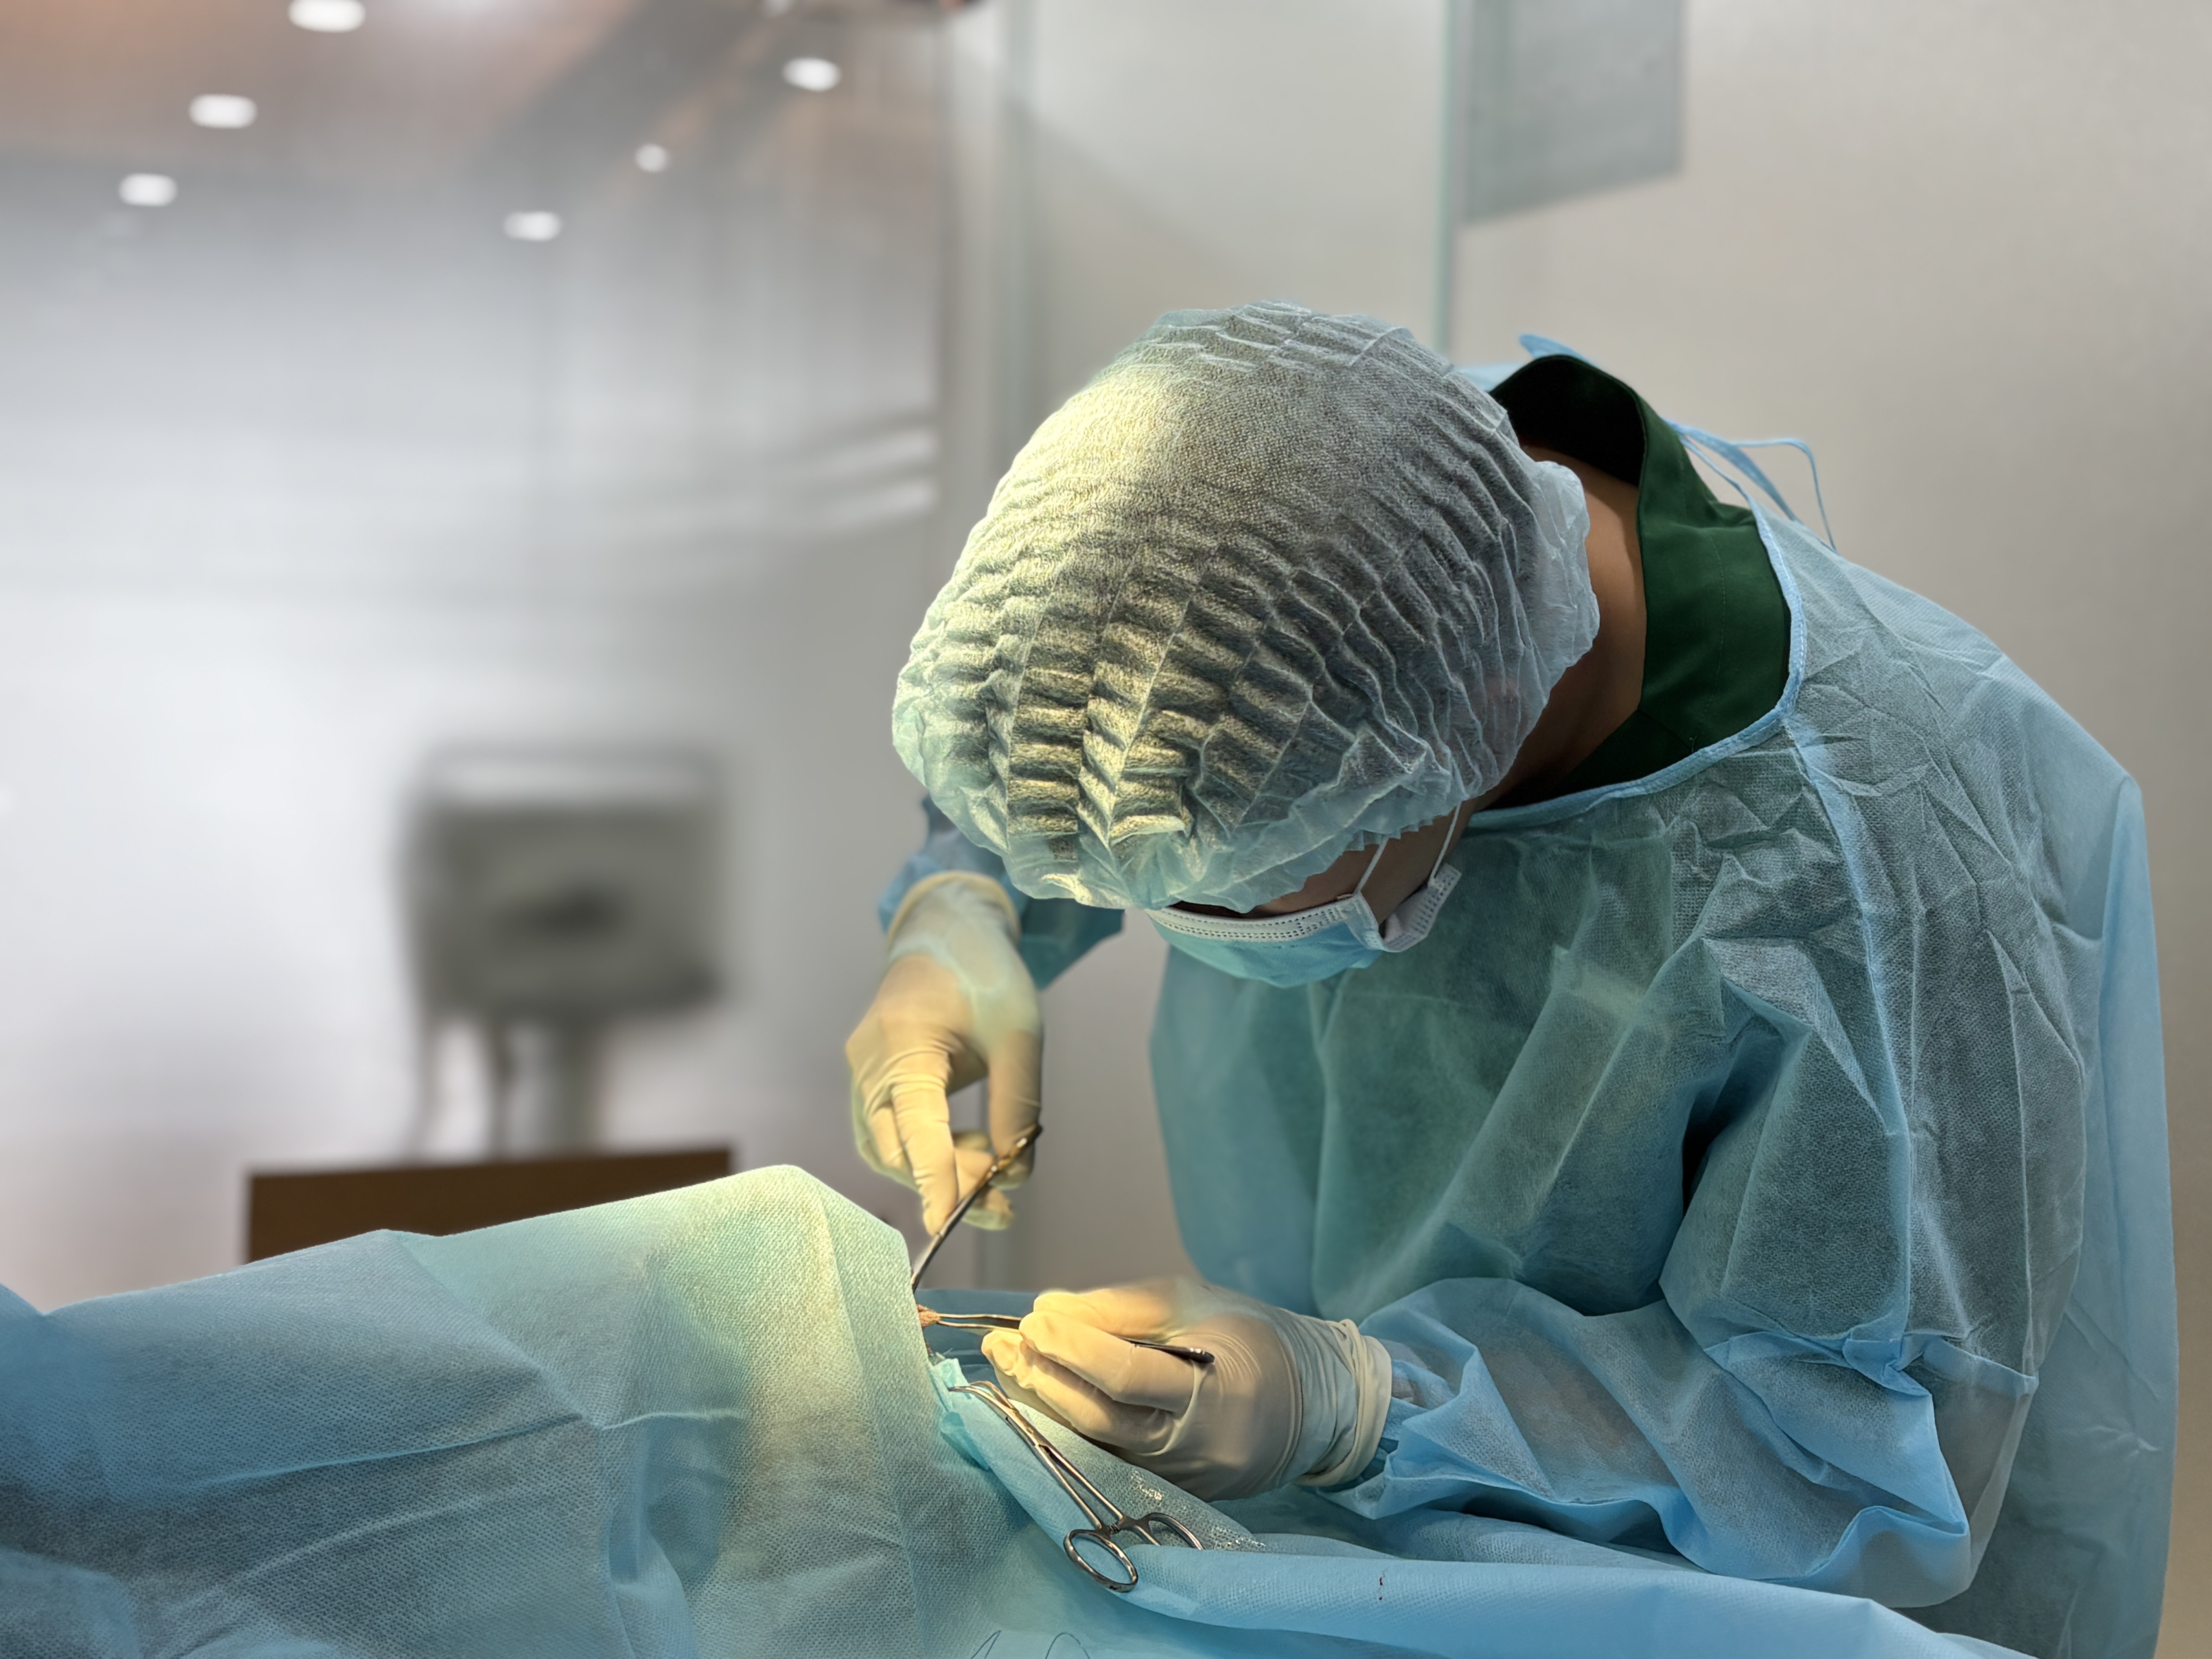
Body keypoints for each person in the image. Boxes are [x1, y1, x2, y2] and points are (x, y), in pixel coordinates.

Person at [846, 303, 2174, 1659]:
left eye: (1227, 879)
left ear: (1470, 727)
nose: (1172, 921)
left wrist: (1361, 1401)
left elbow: (1844, 1452)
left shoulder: (1878, 863)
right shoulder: (1346, 495)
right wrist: (966, 908)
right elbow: (1120, 712)